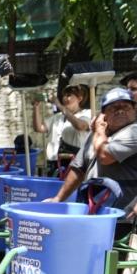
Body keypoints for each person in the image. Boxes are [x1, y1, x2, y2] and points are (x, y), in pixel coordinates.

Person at [51, 87, 137, 240]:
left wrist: (99, 130)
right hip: (94, 211)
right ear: (103, 115)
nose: (121, 111)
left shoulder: (133, 132)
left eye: (126, 107)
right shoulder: (96, 134)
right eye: (114, 108)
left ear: (134, 110)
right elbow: (78, 168)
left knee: (117, 259)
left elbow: (105, 155)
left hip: (124, 215)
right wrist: (59, 198)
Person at [33, 84, 91, 176]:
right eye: (64, 95)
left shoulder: (87, 114)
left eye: (69, 95)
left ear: (79, 98)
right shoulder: (57, 117)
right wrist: (36, 107)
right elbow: (39, 128)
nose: (65, 98)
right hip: (54, 163)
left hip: (74, 163)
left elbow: (80, 126)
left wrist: (59, 105)